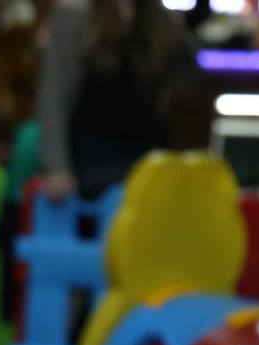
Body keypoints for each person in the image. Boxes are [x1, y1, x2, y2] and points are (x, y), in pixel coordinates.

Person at [33, 0, 193, 203]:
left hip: (148, 165)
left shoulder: (158, 19)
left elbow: (188, 82)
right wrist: (58, 168)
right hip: (90, 168)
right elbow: (53, 96)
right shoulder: (76, 15)